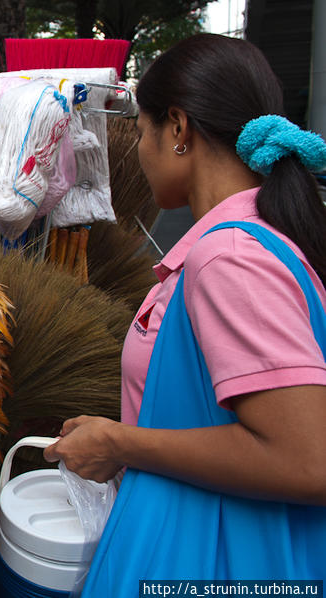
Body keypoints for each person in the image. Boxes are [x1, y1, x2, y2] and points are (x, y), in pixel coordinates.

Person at [44, 34, 326, 592]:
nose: (140, 150)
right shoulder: (257, 242)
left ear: (178, 129)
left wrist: (120, 442)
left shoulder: (230, 259)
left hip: (214, 561)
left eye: (144, 131)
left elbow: (305, 459)